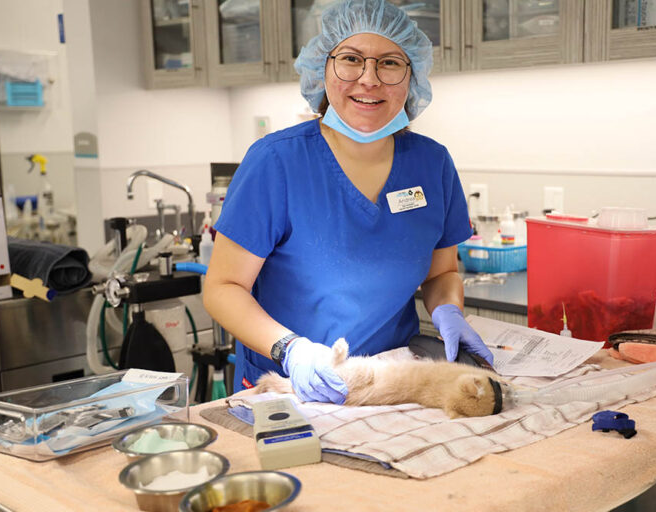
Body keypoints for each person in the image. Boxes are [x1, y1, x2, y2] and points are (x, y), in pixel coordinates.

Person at [203, 0, 494, 404]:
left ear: (412, 78)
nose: (369, 79)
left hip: (392, 383)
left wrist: (448, 312)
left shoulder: (432, 163)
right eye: (351, 59)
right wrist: (292, 350)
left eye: (390, 63)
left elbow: (441, 274)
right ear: (323, 69)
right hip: (289, 386)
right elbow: (223, 287)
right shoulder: (276, 163)